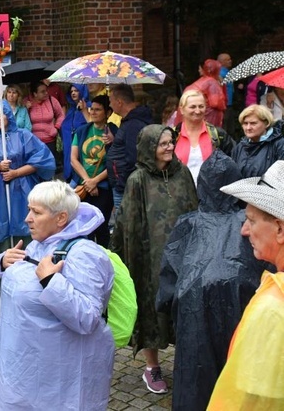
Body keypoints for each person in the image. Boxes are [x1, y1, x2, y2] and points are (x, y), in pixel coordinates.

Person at [157, 151, 272, 411]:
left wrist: (169, 308)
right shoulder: (249, 221)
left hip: (194, 312)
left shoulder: (189, 223)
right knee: (237, 376)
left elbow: (168, 276)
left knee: (196, 380)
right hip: (244, 309)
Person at [0, 181, 115, 410]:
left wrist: (51, 281)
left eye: (36, 212)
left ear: (61, 218)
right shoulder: (39, 245)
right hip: (23, 375)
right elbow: (24, 286)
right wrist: (4, 262)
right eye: (29, 210)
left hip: (59, 386)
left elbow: (87, 318)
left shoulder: (84, 254)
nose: (27, 218)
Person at [111, 124, 198, 394]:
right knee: (152, 309)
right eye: (163, 144)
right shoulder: (137, 180)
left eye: (171, 142)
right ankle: (152, 366)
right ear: (150, 147)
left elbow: (194, 210)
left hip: (183, 257)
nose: (170, 147)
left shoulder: (182, 173)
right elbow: (128, 226)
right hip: (150, 261)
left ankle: (186, 362)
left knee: (184, 309)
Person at [207, 160, 284, 410]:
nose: (244, 230)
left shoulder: (273, 308)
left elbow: (249, 400)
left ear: (280, 229)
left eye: (251, 220)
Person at [0, 101, 56, 264]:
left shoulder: (23, 135)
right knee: (1, 225)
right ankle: (3, 269)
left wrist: (15, 173)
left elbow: (40, 160)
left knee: (25, 222)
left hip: (22, 189)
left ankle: (30, 263)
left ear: (8, 115)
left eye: (0, 114)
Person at [70, 95, 118, 246]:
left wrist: (95, 181)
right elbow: (73, 159)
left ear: (108, 112)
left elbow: (114, 162)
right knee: (84, 227)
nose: (93, 112)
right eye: (92, 109)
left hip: (103, 187)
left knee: (101, 226)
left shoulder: (114, 131)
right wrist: (88, 181)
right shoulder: (82, 130)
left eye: (98, 110)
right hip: (84, 185)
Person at [105, 83, 153, 211]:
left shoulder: (133, 124)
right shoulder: (130, 121)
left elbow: (133, 158)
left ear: (119, 102)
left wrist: (121, 184)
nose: (109, 105)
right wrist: (113, 141)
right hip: (125, 184)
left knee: (125, 225)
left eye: (111, 101)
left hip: (126, 187)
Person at [173, 89, 235, 184]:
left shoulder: (218, 135)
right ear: (182, 109)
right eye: (192, 107)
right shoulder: (172, 135)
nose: (197, 111)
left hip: (211, 194)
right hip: (180, 194)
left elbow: (233, 163)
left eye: (201, 106)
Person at [231, 104, 284, 178]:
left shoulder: (279, 145)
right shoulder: (240, 147)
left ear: (266, 123)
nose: (248, 128)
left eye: (253, 123)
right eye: (245, 123)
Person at [26, 81, 64, 167]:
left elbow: (61, 115)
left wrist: (56, 127)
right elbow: (22, 120)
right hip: (33, 142)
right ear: (35, 94)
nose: (46, 93)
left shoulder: (52, 100)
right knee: (35, 167)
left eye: (46, 90)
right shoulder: (27, 102)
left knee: (49, 167)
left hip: (50, 141)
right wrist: (26, 109)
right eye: (42, 92)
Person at [182, 59, 227, 127]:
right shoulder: (212, 82)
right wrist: (223, 105)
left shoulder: (204, 81)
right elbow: (216, 102)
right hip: (208, 118)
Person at [61, 84, 90, 181]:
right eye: (71, 91)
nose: (73, 93)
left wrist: (84, 110)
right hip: (71, 146)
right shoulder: (72, 109)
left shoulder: (89, 107)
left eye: (76, 91)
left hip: (83, 145)